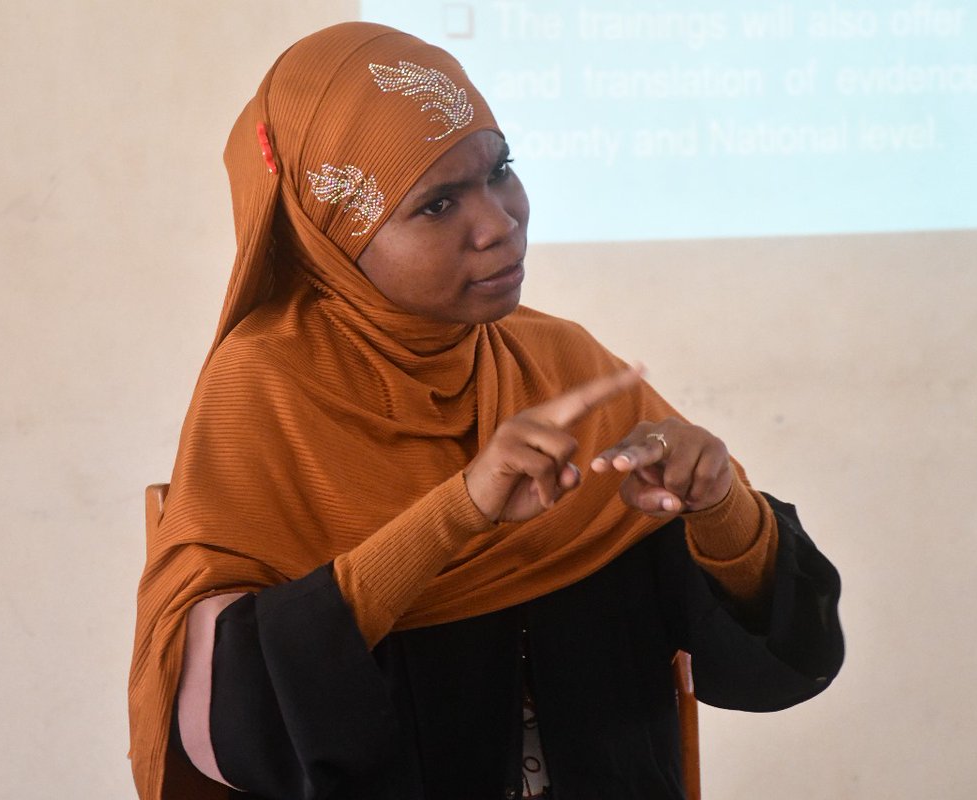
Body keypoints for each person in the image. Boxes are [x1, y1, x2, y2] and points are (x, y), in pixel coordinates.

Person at [128, 21, 843, 800]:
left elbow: (775, 665)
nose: (500, 222)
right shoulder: (267, 390)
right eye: (436, 205)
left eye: (500, 170)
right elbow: (243, 719)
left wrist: (719, 507)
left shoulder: (559, 363)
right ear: (331, 240)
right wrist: (458, 512)